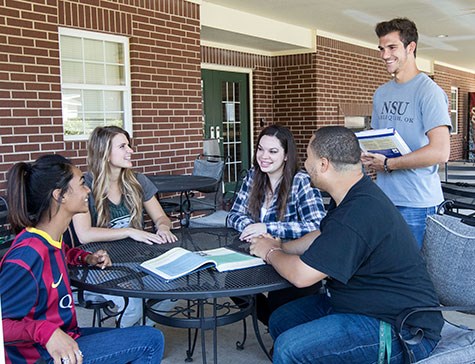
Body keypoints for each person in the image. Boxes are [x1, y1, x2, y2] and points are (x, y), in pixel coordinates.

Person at [250, 126, 443, 364]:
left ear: (323, 164)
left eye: (308, 157)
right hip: (357, 302)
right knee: (282, 319)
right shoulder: (349, 195)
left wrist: (269, 251)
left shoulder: (358, 212)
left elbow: (302, 276)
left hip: (400, 327)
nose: (305, 164)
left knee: (289, 349)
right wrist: (282, 245)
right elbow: (322, 235)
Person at [0, 154, 164, 364]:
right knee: (150, 340)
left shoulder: (48, 239)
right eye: (82, 184)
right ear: (60, 196)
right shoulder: (27, 256)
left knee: (137, 336)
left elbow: (63, 251)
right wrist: (45, 332)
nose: (88, 190)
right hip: (40, 356)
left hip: (68, 335)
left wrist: (85, 258)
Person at [72, 125, 177, 327]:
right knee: (133, 303)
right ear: (104, 153)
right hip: (99, 265)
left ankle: (144, 334)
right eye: (123, 146)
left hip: (137, 259)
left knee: (177, 286)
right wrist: (130, 231)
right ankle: (127, 344)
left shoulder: (137, 181)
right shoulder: (86, 186)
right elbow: (84, 234)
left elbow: (161, 218)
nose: (131, 151)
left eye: (129, 145)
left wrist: (163, 227)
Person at [361, 17, 451, 248]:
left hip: (418, 204)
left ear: (410, 48)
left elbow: (441, 152)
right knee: (389, 273)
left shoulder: (429, 92)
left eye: (392, 47)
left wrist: (390, 164)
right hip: (384, 200)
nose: (384, 55)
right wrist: (366, 154)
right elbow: (376, 139)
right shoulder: (381, 93)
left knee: (415, 277)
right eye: (381, 48)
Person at [227, 124, 326, 325]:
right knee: (232, 283)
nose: (264, 156)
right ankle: (276, 324)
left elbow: (317, 224)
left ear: (286, 155)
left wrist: (268, 228)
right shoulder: (253, 178)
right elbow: (233, 215)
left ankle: (283, 330)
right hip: (258, 253)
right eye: (260, 149)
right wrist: (251, 228)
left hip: (293, 258)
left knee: (280, 302)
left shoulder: (301, 181)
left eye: (273, 151)